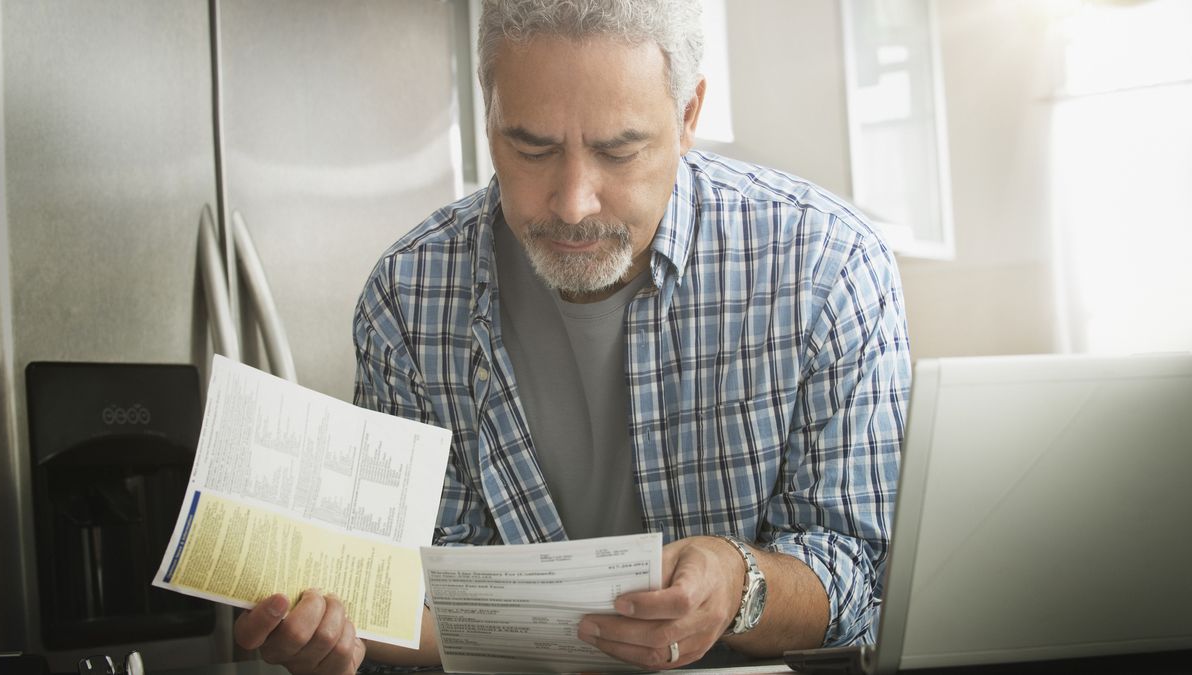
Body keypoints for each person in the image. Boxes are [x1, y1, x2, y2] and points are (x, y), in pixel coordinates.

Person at [234, 0, 911, 673]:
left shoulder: (827, 268)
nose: (573, 202)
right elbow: (420, 599)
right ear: (489, 113)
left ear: (687, 117)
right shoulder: (408, 300)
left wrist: (741, 583)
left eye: (618, 151)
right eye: (532, 149)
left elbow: (862, 578)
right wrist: (345, 644)